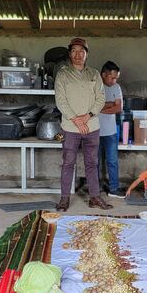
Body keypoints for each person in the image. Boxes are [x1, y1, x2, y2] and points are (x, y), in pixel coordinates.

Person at [53, 38, 113, 212]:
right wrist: (76, 119)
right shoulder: (63, 74)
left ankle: (94, 197)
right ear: (70, 53)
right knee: (68, 162)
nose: (78, 54)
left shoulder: (94, 74)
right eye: (74, 51)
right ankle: (64, 199)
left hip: (91, 126)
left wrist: (87, 116)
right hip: (70, 127)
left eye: (82, 51)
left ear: (87, 54)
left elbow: (101, 98)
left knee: (92, 163)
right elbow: (60, 100)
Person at [99, 61, 124, 199]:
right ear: (103, 75)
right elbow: (90, 106)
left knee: (112, 161)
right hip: (94, 131)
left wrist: (100, 108)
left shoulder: (117, 87)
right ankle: (94, 190)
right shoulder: (95, 86)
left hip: (110, 131)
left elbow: (118, 108)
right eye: (111, 77)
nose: (114, 81)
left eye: (116, 78)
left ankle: (114, 189)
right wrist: (109, 105)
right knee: (93, 162)